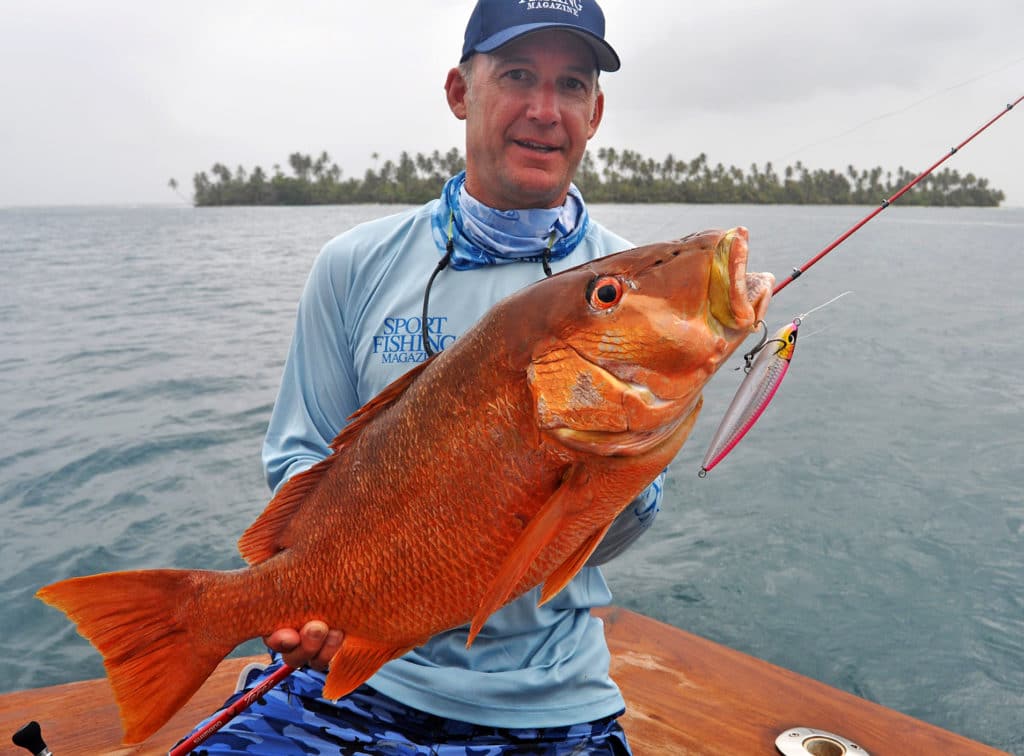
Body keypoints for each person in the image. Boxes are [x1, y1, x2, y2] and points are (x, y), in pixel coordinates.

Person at [187, 1, 665, 752]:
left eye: (571, 85)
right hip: (357, 677)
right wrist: (313, 595)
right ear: (458, 92)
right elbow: (300, 454)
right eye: (516, 75)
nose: (545, 110)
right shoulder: (354, 264)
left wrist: (620, 473)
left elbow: (599, 539)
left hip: (548, 696)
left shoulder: (631, 290)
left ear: (595, 111)